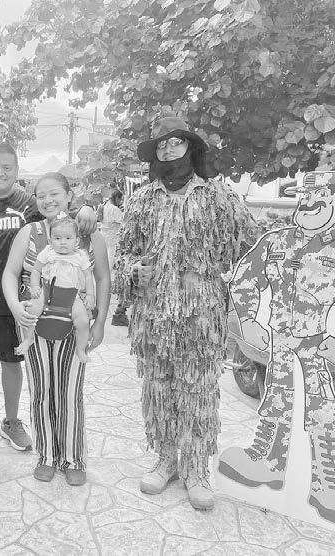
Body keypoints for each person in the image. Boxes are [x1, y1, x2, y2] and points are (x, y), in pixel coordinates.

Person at [223, 170, 335, 531]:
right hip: (279, 341)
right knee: (277, 400)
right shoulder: (277, 240)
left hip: (321, 343)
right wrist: (249, 319)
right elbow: (244, 279)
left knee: (322, 407)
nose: (309, 202)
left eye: (318, 196)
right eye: (304, 196)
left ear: (334, 197)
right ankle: (268, 462)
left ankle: (329, 483)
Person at [115, 117, 259, 510]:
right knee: (159, 390)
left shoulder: (218, 197)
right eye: (161, 145)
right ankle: (166, 461)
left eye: (175, 142)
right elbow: (122, 254)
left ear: (190, 148)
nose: (167, 150)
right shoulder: (141, 200)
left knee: (198, 393)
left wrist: (218, 271)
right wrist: (133, 271)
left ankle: (196, 470)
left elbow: (250, 245)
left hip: (201, 318)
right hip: (154, 319)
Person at [0, 143, 96, 459]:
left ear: (16, 171)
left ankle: (11, 422)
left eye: (7, 168)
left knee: (13, 363)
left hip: (22, 307)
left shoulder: (29, 203)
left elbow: (59, 214)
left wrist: (86, 210)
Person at [3, 172, 110, 486]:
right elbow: (10, 273)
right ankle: (47, 455)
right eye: (41, 196)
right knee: (41, 392)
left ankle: (74, 458)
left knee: (70, 391)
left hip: (73, 325)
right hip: (35, 324)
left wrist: (100, 322)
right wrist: (15, 307)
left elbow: (102, 278)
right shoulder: (30, 232)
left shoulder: (88, 235)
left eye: (54, 194)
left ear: (69, 196)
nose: (48, 201)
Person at [15, 213, 95, 363]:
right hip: (47, 292)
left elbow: (88, 276)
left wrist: (90, 295)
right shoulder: (48, 252)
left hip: (72, 296)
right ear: (50, 240)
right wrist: (35, 286)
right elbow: (36, 270)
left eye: (68, 238)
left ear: (77, 240)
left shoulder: (80, 256)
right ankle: (28, 338)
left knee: (83, 321)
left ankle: (80, 349)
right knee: (31, 311)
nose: (63, 242)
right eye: (57, 238)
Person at [101, 188, 129, 326]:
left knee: (107, 262)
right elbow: (124, 222)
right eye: (120, 199)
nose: (121, 201)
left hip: (105, 238)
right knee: (111, 262)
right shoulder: (114, 209)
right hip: (113, 239)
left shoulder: (105, 206)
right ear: (117, 198)